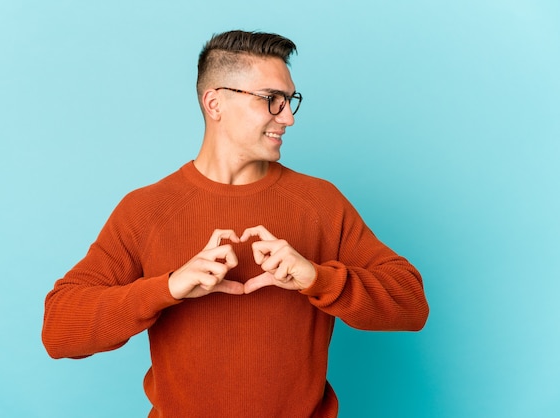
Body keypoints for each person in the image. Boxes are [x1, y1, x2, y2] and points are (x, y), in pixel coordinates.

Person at [42, 30, 429, 417]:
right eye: (271, 101)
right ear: (215, 103)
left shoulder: (319, 203)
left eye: (290, 100)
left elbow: (411, 304)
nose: (289, 118)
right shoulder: (146, 209)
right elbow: (59, 330)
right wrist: (168, 287)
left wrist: (317, 278)